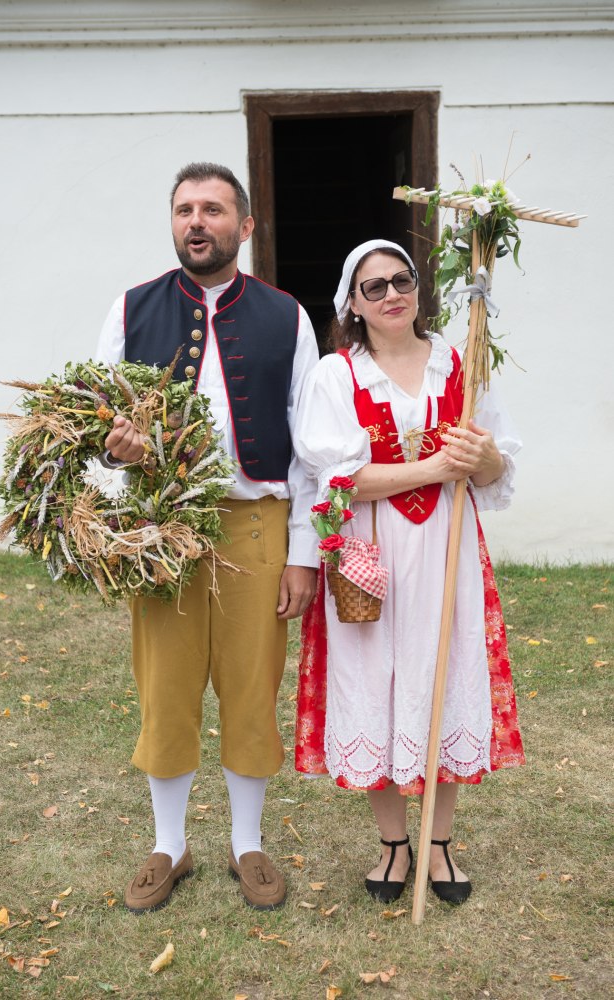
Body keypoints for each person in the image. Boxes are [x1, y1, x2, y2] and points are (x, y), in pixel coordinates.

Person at [96, 162, 319, 913]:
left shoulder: (287, 316)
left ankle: (247, 843)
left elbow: (311, 451)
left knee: (253, 684)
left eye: (214, 209)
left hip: (257, 523)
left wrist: (303, 554)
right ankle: (169, 845)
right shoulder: (130, 309)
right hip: (163, 526)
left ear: (244, 226)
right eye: (185, 209)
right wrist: (115, 458)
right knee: (165, 685)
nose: (197, 221)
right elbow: (93, 425)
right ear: (173, 223)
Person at [294, 239, 525, 905]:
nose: (392, 294)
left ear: (418, 289)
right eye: (374, 287)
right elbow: (337, 481)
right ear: (352, 304)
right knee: (378, 680)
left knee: (445, 675)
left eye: (402, 280)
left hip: (447, 549)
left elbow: (496, 469)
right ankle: (395, 844)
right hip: (370, 554)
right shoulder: (336, 377)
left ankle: (439, 843)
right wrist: (433, 468)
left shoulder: (461, 362)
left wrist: (482, 459)